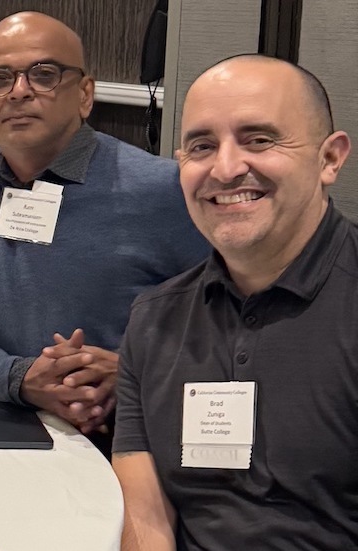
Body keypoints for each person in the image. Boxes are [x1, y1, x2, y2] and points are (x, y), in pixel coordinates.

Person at [0, 12, 210, 436]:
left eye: (44, 75)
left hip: (129, 439)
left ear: (85, 95)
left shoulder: (164, 189)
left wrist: (132, 371)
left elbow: (225, 334)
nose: (19, 91)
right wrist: (22, 379)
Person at [115, 54, 358, 550]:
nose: (225, 169)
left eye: (259, 140)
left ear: (329, 159)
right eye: (202, 146)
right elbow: (144, 516)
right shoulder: (154, 320)